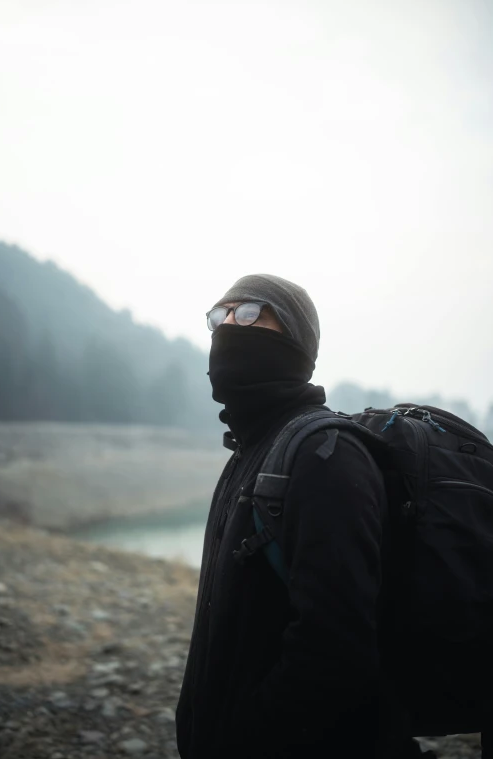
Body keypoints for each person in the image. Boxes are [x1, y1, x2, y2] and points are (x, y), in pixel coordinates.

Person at [176, 274, 391, 759]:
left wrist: (242, 740)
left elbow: (334, 654)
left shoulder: (326, 457)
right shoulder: (249, 451)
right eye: (220, 316)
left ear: (294, 341)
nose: (230, 326)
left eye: (250, 313)